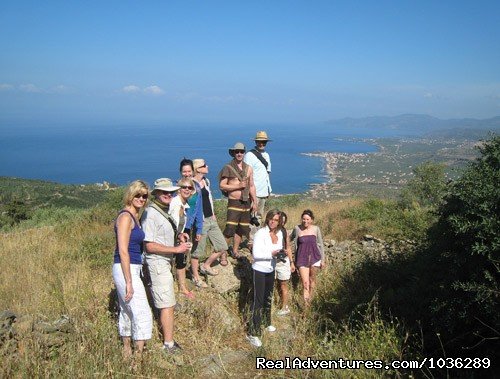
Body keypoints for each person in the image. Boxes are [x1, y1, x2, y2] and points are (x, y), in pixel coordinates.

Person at [141, 178, 191, 353]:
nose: (168, 194)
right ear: (156, 194)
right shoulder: (150, 214)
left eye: (170, 192)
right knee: (167, 303)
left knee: (167, 301)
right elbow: (149, 245)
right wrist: (176, 249)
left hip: (164, 261)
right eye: (164, 192)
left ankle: (168, 341)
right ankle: (168, 344)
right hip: (157, 262)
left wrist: (179, 236)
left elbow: (164, 233)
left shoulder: (163, 211)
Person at [112, 180, 153, 358]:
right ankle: (138, 358)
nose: (142, 198)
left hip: (132, 267)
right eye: (138, 195)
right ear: (131, 195)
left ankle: (126, 351)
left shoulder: (135, 216)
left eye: (145, 196)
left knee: (128, 310)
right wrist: (129, 281)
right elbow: (123, 250)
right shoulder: (125, 217)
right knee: (142, 312)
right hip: (125, 267)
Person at [247, 209, 285, 347]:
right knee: (258, 300)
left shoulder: (279, 233)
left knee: (268, 297)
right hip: (260, 269)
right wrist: (272, 253)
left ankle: (266, 322)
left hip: (271, 268)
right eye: (271, 219)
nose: (273, 222)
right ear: (267, 219)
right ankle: (253, 332)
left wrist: (280, 253)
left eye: (276, 220)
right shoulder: (260, 233)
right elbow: (256, 254)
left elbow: (279, 248)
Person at [190, 159, 228, 287]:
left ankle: (206, 265)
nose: (207, 166)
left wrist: (213, 213)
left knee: (222, 246)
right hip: (200, 221)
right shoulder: (191, 184)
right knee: (197, 251)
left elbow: (209, 199)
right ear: (197, 169)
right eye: (204, 165)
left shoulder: (206, 181)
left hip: (211, 218)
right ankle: (196, 277)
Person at [218, 142, 257, 259]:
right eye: (237, 152)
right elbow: (222, 185)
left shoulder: (248, 168)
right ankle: (222, 253)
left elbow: (251, 185)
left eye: (241, 151)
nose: (239, 154)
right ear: (234, 153)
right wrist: (238, 186)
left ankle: (235, 251)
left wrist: (255, 201)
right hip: (234, 202)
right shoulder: (228, 168)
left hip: (246, 202)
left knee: (241, 228)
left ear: (244, 153)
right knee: (230, 229)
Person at [168, 177, 197, 299]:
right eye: (184, 187)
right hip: (169, 238)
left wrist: (181, 235)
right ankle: (177, 288)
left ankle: (182, 287)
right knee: (173, 261)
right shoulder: (175, 203)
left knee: (181, 260)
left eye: (189, 188)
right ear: (178, 189)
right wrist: (178, 236)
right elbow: (171, 222)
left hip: (176, 237)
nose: (187, 189)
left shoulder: (184, 204)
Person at [290, 209, 326, 306]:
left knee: (312, 280)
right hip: (301, 258)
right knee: (305, 283)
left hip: (315, 257)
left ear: (312, 220)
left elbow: (321, 244)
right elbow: (289, 239)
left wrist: (323, 260)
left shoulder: (316, 229)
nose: (305, 221)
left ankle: (311, 299)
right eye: (303, 219)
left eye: (307, 219)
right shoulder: (297, 229)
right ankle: (306, 307)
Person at [244, 131, 272, 224]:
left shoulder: (266, 155)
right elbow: (246, 175)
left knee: (259, 217)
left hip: (263, 192)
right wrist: (251, 195)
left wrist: (268, 190)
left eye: (264, 142)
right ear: (255, 142)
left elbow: (267, 174)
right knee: (252, 217)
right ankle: (251, 238)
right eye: (259, 141)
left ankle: (256, 237)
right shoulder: (249, 155)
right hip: (254, 193)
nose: (261, 144)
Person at [275, 211, 295, 316]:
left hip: (283, 261)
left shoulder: (284, 231)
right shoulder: (268, 231)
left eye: (283, 221)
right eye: (279, 220)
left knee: (284, 285)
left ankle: (284, 307)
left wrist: (291, 262)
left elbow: (288, 246)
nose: (281, 223)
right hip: (272, 260)